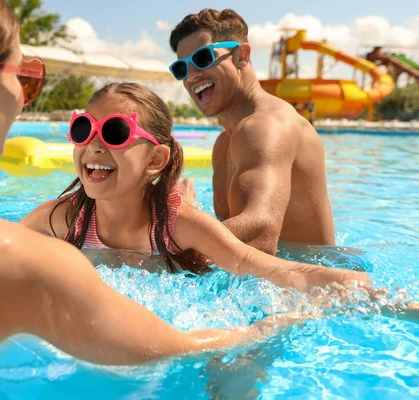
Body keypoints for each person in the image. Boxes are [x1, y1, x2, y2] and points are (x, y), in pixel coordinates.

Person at [0, 1, 313, 399]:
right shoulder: (9, 259)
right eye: (26, 74)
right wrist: (280, 322)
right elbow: (172, 347)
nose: (23, 95)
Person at [19, 82, 367, 292]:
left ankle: (183, 194)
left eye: (114, 133)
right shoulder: (64, 217)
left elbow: (261, 265)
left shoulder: (177, 226)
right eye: (83, 129)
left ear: (155, 160)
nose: (94, 146)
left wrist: (353, 284)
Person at [169, 9, 335, 255]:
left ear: (242, 56)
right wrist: (188, 211)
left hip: (315, 285)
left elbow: (260, 233)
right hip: (273, 283)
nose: (192, 75)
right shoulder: (224, 142)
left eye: (203, 58)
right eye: (181, 69)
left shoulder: (265, 126)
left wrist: (161, 247)